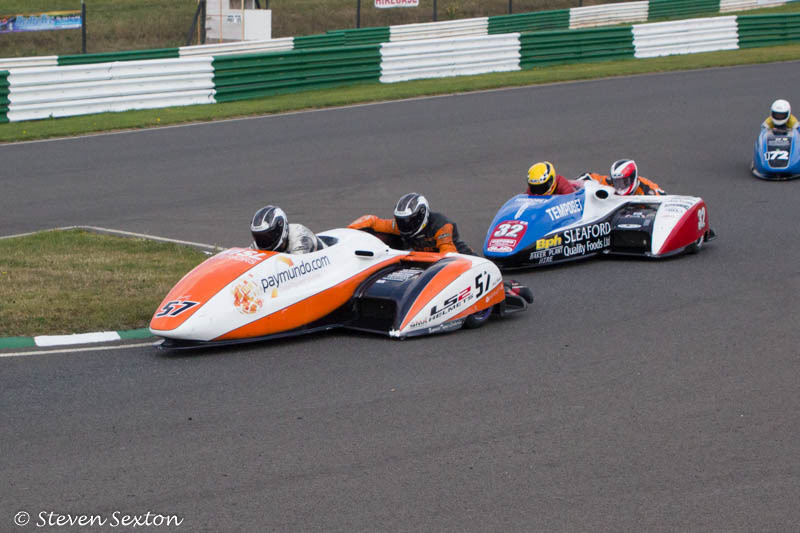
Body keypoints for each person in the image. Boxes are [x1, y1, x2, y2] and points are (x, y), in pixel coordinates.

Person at [348, 193, 475, 255]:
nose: (405, 225)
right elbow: (372, 221)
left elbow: (449, 256)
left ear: (422, 215)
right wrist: (348, 232)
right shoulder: (400, 226)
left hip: (464, 259)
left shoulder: (441, 226)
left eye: (409, 220)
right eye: (401, 220)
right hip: (427, 261)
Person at [250, 205, 326, 254]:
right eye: (259, 237)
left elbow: (298, 267)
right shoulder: (257, 245)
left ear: (280, 229)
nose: (264, 241)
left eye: (268, 236)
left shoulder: (300, 238)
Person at [579, 159, 666, 196]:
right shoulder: (609, 182)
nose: (620, 186)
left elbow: (666, 201)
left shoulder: (648, 189)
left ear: (632, 178)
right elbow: (588, 176)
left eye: (624, 182)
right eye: (617, 182)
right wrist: (576, 184)